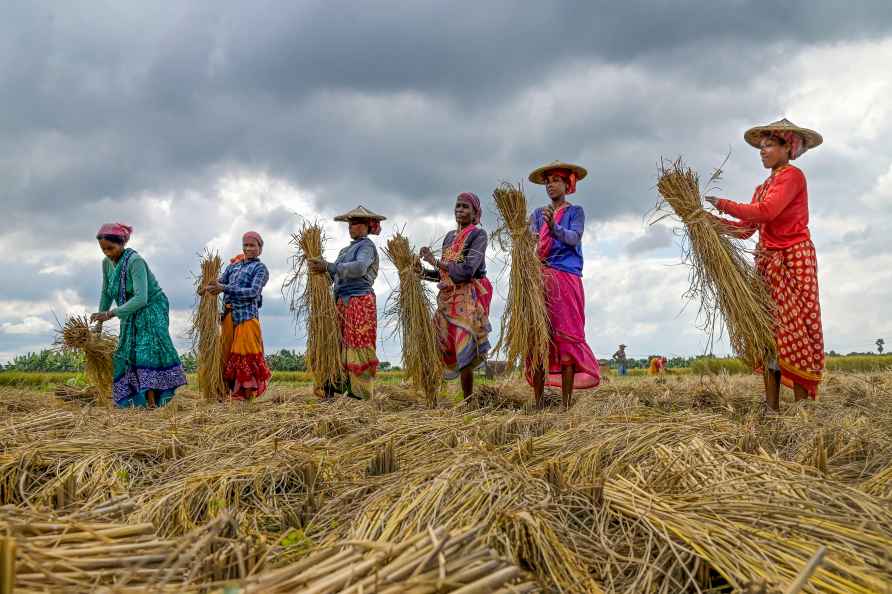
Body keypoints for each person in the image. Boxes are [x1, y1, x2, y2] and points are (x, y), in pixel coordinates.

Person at [705, 118, 825, 411]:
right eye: (761, 146)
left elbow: (768, 212)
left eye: (769, 145)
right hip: (768, 263)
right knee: (768, 332)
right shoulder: (762, 187)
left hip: (794, 259)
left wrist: (722, 203)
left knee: (797, 331)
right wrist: (709, 223)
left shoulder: (793, 176)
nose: (762, 151)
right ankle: (772, 409)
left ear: (788, 148)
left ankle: (801, 411)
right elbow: (746, 228)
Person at [526, 160, 601, 408]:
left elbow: (573, 238)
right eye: (547, 182)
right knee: (537, 337)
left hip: (565, 278)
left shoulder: (574, 212)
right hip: (540, 279)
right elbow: (530, 242)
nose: (550, 186)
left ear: (567, 184)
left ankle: (566, 404)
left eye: (556, 181)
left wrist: (553, 227)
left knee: (567, 337)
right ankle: (537, 403)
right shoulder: (537, 214)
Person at [90, 223, 186, 408]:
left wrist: (110, 313)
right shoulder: (106, 264)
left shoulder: (136, 261)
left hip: (151, 308)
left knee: (145, 352)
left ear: (122, 244)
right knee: (125, 353)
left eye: (111, 248)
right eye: (103, 249)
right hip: (129, 309)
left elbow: (142, 298)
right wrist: (99, 323)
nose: (108, 253)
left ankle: (153, 403)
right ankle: (136, 402)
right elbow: (107, 292)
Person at [418, 193, 492, 399]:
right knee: (436, 345)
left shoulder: (479, 235)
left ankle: (468, 402)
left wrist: (434, 261)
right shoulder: (449, 237)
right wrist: (421, 272)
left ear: (475, 212)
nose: (460, 210)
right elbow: (444, 274)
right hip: (447, 299)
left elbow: (467, 270)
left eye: (465, 207)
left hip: (467, 297)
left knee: (465, 349)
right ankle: (432, 398)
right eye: (457, 206)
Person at [308, 206, 385, 400]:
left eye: (357, 223)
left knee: (356, 348)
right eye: (350, 223)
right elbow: (334, 273)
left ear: (368, 226)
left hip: (358, 302)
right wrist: (319, 272)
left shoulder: (366, 247)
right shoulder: (345, 250)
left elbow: (359, 268)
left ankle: (359, 395)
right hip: (340, 303)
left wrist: (329, 266)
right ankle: (331, 389)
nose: (352, 227)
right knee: (335, 346)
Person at [203, 231, 272, 401]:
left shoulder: (260, 269)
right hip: (228, 317)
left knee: (245, 357)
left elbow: (252, 292)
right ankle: (227, 394)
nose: (248, 249)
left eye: (252, 245)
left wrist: (224, 288)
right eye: (245, 245)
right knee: (225, 356)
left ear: (260, 249)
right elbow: (219, 282)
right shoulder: (233, 267)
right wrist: (206, 287)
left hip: (246, 318)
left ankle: (246, 399)